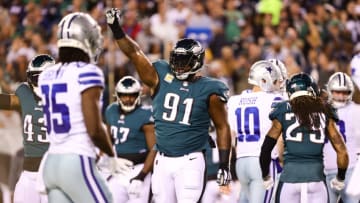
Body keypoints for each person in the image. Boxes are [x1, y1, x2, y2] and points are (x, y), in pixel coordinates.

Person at [106, 8, 232, 203]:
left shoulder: (211, 89)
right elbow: (134, 52)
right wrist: (116, 29)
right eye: (178, 60)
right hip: (162, 159)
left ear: (197, 62)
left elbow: (223, 126)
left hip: (190, 160)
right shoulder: (161, 75)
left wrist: (224, 164)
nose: (179, 66)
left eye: (185, 61)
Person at [38, 12, 119, 203]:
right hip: (76, 161)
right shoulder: (87, 73)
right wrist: (110, 153)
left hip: (50, 163)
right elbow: (94, 129)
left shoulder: (46, 75)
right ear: (85, 40)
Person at [259, 72, 349, 203]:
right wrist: (340, 178)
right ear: (312, 89)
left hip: (289, 179)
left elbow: (266, 149)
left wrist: (265, 176)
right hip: (316, 180)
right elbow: (342, 150)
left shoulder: (283, 109)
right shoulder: (325, 109)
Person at [0, 54, 55, 203]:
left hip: (53, 174)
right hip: (29, 173)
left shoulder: (62, 97)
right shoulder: (25, 93)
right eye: (34, 77)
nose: (37, 82)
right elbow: (6, 101)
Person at [227, 60, 284, 203]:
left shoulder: (234, 100)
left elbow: (229, 137)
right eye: (275, 80)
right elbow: (280, 136)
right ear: (264, 79)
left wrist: (226, 167)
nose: (277, 84)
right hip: (263, 162)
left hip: (241, 162)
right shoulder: (275, 100)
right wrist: (282, 160)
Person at [101, 75, 156, 203]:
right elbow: (108, 141)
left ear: (138, 95)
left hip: (138, 168)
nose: (128, 99)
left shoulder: (146, 114)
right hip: (118, 168)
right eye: (124, 95)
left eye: (132, 95)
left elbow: (154, 148)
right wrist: (106, 161)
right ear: (117, 95)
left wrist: (142, 175)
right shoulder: (111, 110)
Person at [323, 72, 360, 203]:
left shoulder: (356, 110)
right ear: (330, 90)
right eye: (337, 92)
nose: (341, 96)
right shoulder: (322, 110)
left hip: (351, 169)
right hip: (326, 171)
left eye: (345, 92)